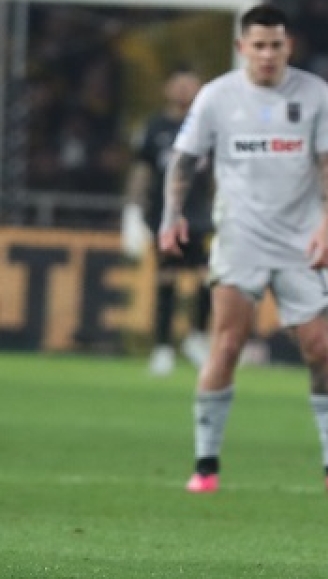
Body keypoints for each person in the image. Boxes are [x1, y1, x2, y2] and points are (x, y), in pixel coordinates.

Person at [159, 4, 328, 500]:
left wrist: (327, 228)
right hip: (240, 237)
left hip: (300, 241)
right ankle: (205, 465)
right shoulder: (217, 96)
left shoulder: (314, 92)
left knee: (319, 349)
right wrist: (171, 215)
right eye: (259, 45)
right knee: (227, 344)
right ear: (241, 47)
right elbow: (183, 159)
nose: (268, 54)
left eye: (276, 45)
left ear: (288, 46)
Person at [122, 68, 213, 376]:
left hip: (200, 216)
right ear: (167, 88)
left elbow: (220, 173)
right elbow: (142, 170)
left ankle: (197, 336)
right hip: (165, 217)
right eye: (180, 84)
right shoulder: (154, 127)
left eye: (191, 84)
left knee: (208, 277)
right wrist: (132, 211)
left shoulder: (208, 127)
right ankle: (162, 348)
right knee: (166, 279)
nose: (185, 90)